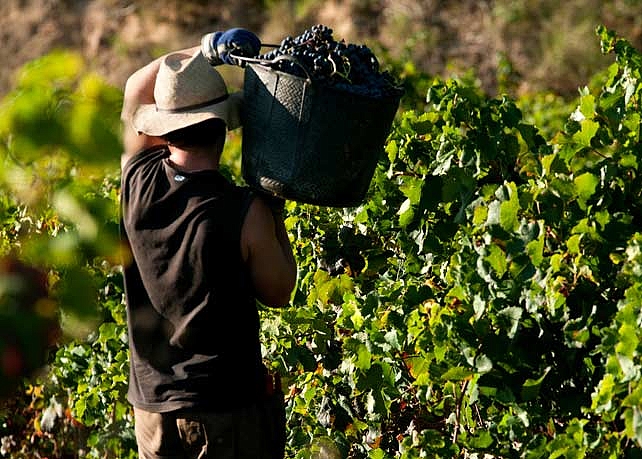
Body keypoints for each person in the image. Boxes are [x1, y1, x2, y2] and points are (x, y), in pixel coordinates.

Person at [119, 28, 297, 459]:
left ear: (163, 129)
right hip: (223, 413)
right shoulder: (245, 211)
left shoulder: (136, 180)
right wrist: (275, 210)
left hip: (152, 412)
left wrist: (204, 50)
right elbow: (280, 290)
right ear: (224, 130)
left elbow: (134, 87)